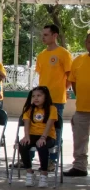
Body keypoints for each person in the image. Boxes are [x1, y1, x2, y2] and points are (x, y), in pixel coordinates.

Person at [35, 24, 72, 168]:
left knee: (55, 131)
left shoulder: (64, 53)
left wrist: (62, 89)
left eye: (46, 35)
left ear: (55, 35)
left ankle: (52, 160)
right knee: (36, 127)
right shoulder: (41, 55)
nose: (43, 37)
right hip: (40, 101)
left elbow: (70, 76)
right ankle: (31, 158)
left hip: (56, 100)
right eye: (42, 34)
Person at [18, 86, 57, 188]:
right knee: (22, 145)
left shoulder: (52, 109)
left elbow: (49, 124)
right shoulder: (29, 109)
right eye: (33, 96)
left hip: (48, 135)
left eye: (39, 95)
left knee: (41, 145)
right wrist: (26, 136)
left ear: (46, 96)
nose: (36, 98)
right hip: (32, 135)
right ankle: (30, 172)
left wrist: (43, 138)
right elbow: (26, 123)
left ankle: (44, 174)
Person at [64, 33, 90, 177]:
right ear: (86, 43)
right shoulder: (78, 60)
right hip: (82, 109)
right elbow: (73, 81)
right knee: (80, 140)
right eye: (89, 42)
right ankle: (80, 167)